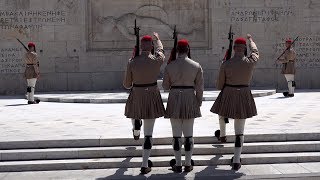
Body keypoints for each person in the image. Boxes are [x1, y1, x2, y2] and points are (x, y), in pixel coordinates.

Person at [210, 34, 259, 170]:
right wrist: (251, 41)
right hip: (243, 94)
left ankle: (223, 135)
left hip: (229, 92)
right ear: (244, 49)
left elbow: (220, 85)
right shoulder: (250, 61)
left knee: (221, 112)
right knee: (239, 131)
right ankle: (236, 160)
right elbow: (255, 52)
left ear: (234, 49)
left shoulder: (226, 64)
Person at [123, 32, 165, 174]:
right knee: (148, 134)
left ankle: (136, 127)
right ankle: (144, 164)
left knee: (135, 114)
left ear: (141, 47)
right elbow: (161, 52)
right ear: (151, 46)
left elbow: (127, 84)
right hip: (152, 94)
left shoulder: (132, 62)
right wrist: (158, 40)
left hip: (137, 94)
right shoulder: (156, 60)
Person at [163, 39, 204, 173]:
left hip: (174, 97)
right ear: (188, 49)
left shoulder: (170, 66)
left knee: (176, 136)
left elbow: (165, 87)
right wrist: (198, 103)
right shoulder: (196, 66)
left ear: (177, 51)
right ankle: (188, 164)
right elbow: (199, 88)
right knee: (188, 135)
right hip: (189, 97)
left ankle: (178, 164)